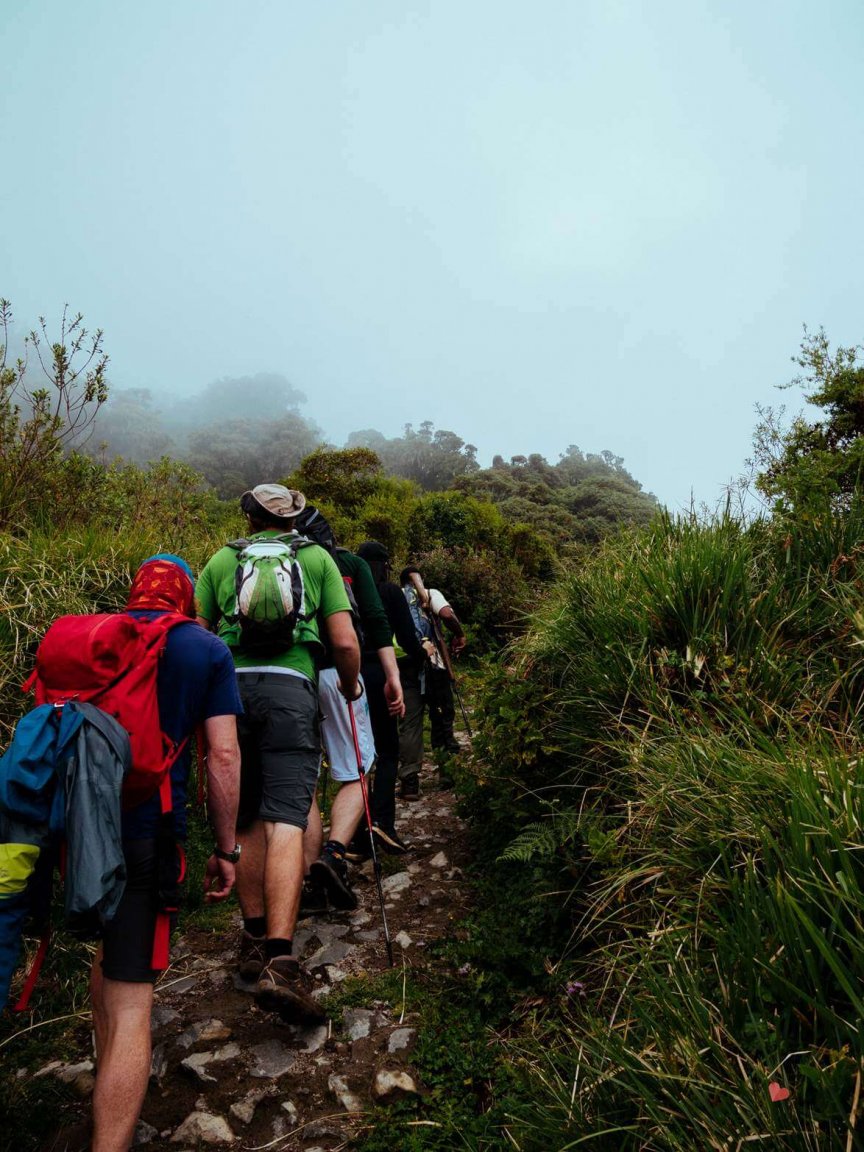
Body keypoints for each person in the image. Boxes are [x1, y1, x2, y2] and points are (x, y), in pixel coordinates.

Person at [91, 554, 242, 1152]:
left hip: (80, 832)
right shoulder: (203, 649)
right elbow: (223, 757)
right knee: (133, 999)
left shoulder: (97, 637)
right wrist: (225, 847)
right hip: (148, 832)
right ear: (184, 596)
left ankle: (104, 1086)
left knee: (104, 962)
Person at [195, 485, 360, 1018]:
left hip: (228, 692)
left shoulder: (223, 559)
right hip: (292, 687)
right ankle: (281, 960)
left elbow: (199, 637)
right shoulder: (315, 558)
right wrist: (352, 685)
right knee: (286, 816)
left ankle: (251, 934)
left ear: (247, 514)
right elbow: (345, 641)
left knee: (244, 817)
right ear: (293, 518)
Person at [292, 509, 405, 908]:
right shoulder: (348, 562)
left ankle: (308, 881)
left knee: (302, 780)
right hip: (338, 676)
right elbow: (374, 622)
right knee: (357, 769)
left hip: (289, 678)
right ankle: (335, 854)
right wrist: (391, 676)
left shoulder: (273, 560)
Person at [355, 540, 426, 847]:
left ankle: (356, 830)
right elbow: (408, 637)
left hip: (347, 675)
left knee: (356, 755)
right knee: (387, 749)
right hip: (380, 673)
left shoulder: (346, 590)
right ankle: (382, 822)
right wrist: (422, 656)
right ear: (384, 566)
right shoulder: (389, 592)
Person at [398, 565, 466, 800]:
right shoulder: (430, 593)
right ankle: (447, 773)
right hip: (434, 667)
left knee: (410, 723)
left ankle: (410, 781)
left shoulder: (395, 596)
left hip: (405, 667)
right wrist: (459, 634)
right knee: (441, 717)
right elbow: (447, 615)